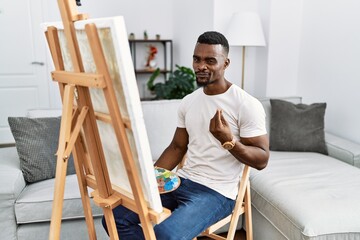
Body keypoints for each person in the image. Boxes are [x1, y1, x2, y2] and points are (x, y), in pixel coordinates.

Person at [102, 31, 269, 240]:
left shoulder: (246, 104)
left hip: (216, 193)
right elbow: (177, 148)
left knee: (165, 234)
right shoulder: (189, 101)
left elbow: (262, 159)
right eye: (197, 59)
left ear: (225, 63)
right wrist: (150, 180)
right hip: (182, 181)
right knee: (115, 217)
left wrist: (228, 141)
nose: (201, 66)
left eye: (210, 60)